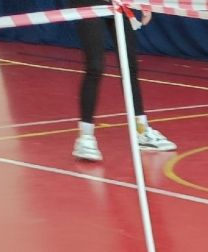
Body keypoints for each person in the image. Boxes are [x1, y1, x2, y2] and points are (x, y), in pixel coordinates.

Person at [70, 10, 175, 163]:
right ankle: (85, 138)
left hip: (117, 6)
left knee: (129, 66)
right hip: (89, 5)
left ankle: (141, 132)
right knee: (95, 67)